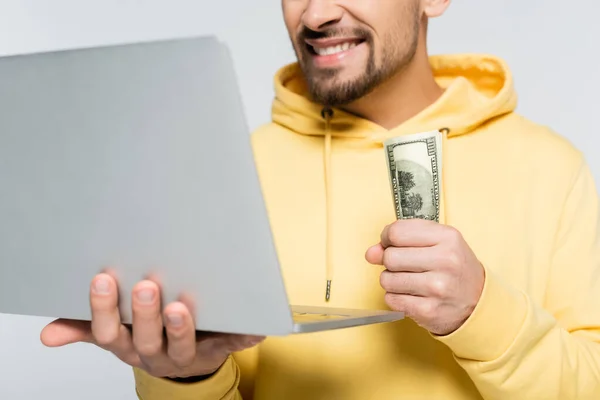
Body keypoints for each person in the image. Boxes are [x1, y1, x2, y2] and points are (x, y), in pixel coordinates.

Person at [40, 0, 600, 399]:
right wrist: (184, 378)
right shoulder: (228, 173)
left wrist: (485, 313)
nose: (313, 14)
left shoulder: (552, 168)